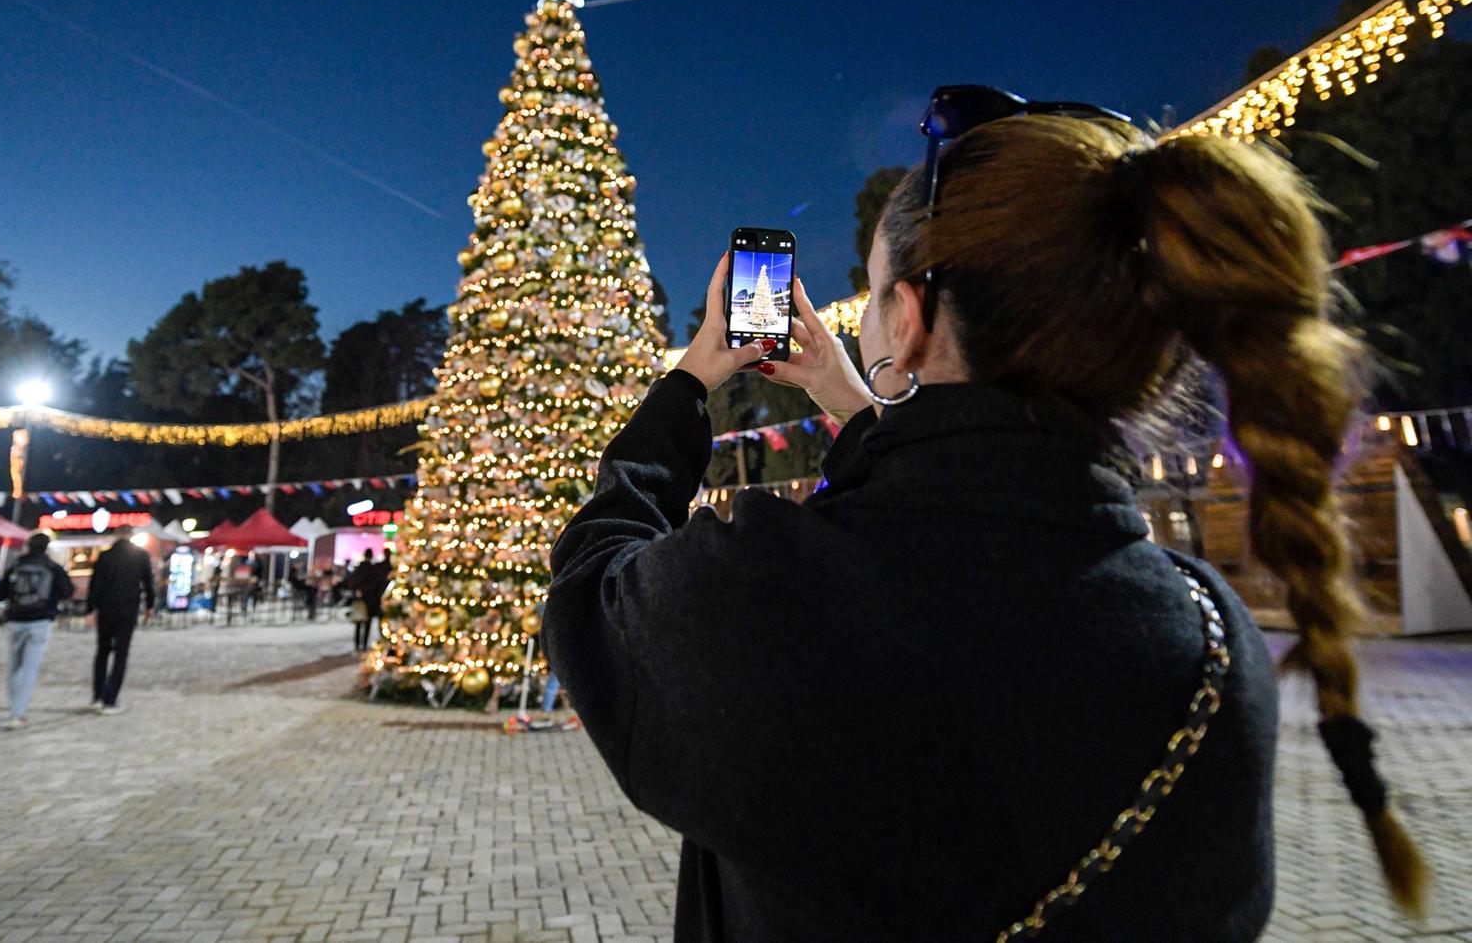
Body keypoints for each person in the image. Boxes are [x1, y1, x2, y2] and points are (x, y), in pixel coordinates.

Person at [544, 99, 1426, 941]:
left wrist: (691, 378)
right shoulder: (1213, 644)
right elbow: (958, 494)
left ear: (914, 314)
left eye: (879, 288)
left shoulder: (769, 595)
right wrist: (848, 395)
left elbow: (590, 584)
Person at [0, 532, 74, 729]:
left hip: (15, 619)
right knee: (30, 667)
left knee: (14, 666)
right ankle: (18, 713)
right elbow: (68, 591)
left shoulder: (16, 566)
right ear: (47, 547)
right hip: (40, 620)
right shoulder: (52, 567)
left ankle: (13, 708)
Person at [85, 525, 155, 714]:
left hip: (106, 609)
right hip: (127, 609)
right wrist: (150, 605)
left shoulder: (104, 556)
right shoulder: (141, 556)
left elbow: (95, 584)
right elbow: (148, 582)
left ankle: (97, 696)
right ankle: (111, 699)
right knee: (121, 654)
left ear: (116, 536)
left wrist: (90, 609)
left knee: (102, 651)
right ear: (131, 536)